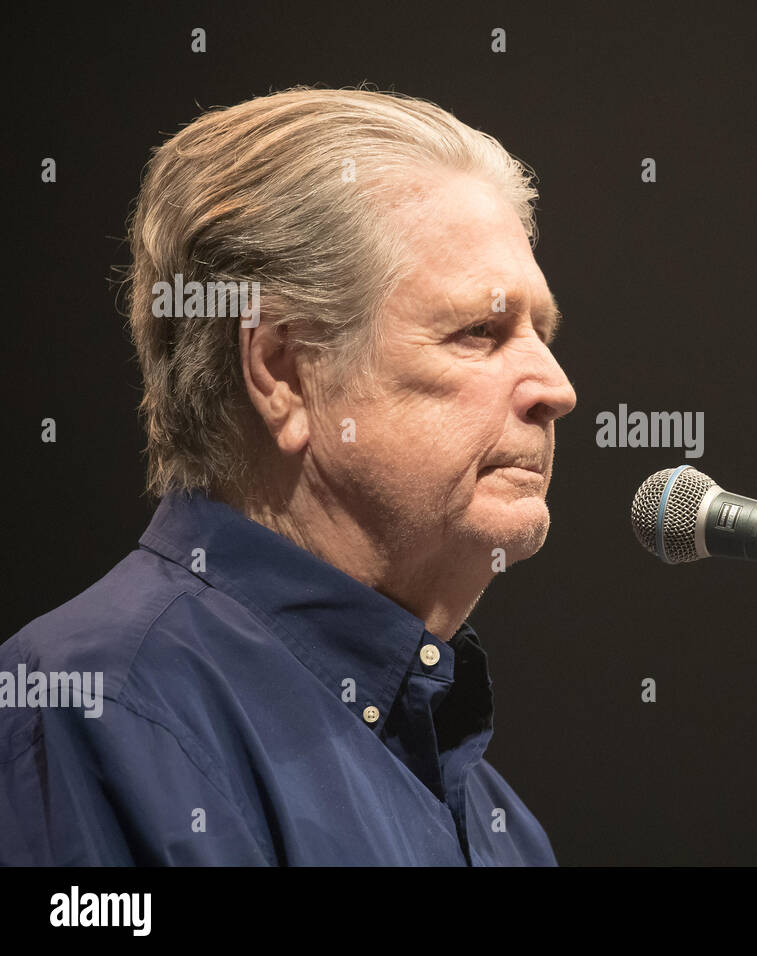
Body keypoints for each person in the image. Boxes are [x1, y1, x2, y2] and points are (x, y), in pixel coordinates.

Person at [0, 87, 577, 865]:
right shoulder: (95, 708)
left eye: (541, 333)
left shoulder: (506, 829)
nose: (557, 388)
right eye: (481, 331)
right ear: (283, 372)